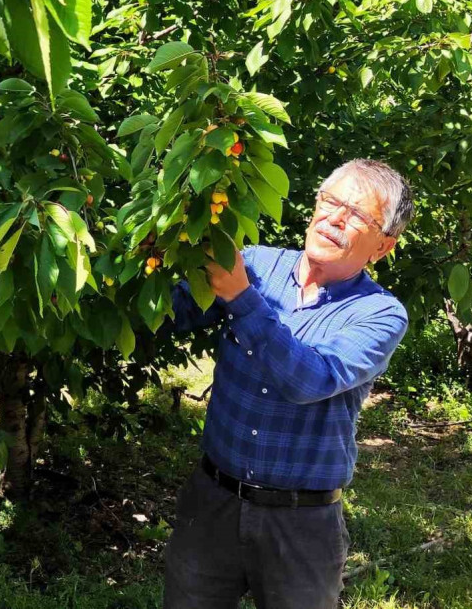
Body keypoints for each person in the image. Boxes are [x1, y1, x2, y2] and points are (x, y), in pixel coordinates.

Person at [163, 158, 415, 609]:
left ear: (383, 246)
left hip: (302, 524)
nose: (336, 218)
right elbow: (170, 314)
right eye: (331, 201)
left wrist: (241, 297)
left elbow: (311, 378)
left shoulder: (379, 314)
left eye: (358, 215)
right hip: (212, 501)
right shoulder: (256, 263)